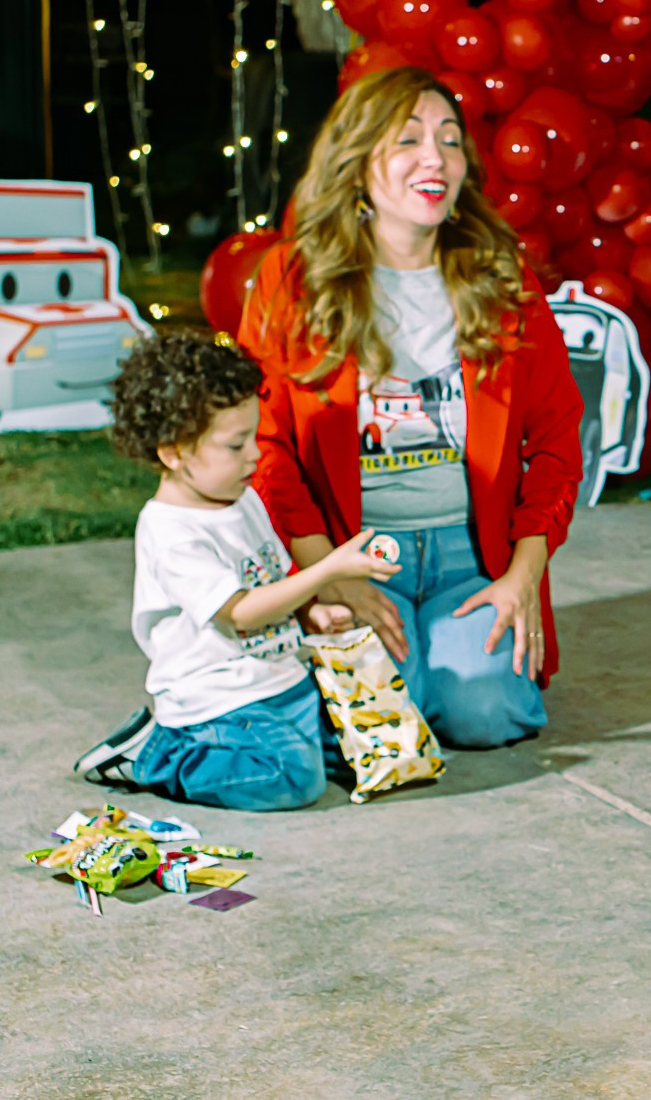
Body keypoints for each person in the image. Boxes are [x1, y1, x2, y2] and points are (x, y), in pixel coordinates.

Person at [239, 67, 584, 750]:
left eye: (450, 141)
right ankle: (406, 668)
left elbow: (555, 440)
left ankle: (446, 663)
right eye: (408, 140)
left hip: (470, 554)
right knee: (382, 728)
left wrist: (522, 574)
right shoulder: (292, 281)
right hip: (352, 551)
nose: (436, 158)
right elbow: (265, 447)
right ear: (358, 162)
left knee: (485, 713)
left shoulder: (500, 277)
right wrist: (323, 576)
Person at [72, 330, 398, 809]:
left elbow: (269, 583)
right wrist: (329, 571)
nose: (254, 454)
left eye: (254, 436)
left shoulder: (241, 498)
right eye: (234, 444)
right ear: (173, 451)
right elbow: (240, 612)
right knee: (293, 780)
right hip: (218, 703)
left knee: (365, 750)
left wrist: (311, 615)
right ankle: (154, 754)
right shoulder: (171, 531)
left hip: (281, 675)